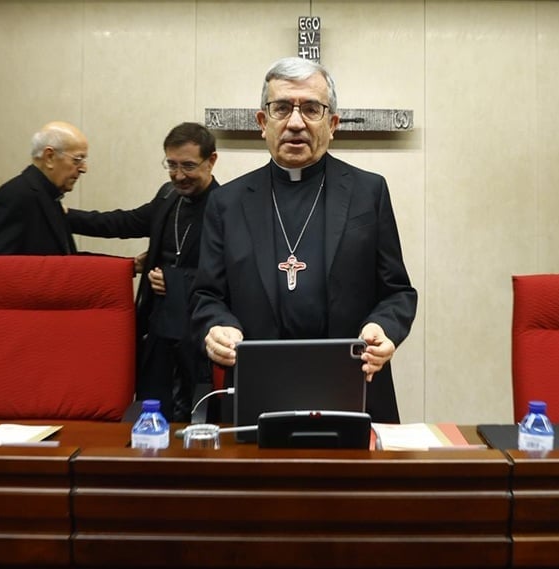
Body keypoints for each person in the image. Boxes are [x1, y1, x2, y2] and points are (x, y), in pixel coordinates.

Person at [191, 57, 417, 423]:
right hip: (256, 392)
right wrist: (215, 326)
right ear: (262, 122)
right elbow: (206, 296)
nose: (295, 123)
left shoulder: (368, 192)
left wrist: (384, 328)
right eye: (282, 108)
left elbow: (398, 292)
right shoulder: (226, 202)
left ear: (333, 124)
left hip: (353, 386)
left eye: (311, 109)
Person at [67, 123, 219, 422]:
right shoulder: (168, 196)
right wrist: (67, 217)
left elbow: (228, 274)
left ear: (211, 160)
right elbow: (124, 223)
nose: (178, 175)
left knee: (190, 413)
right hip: (156, 323)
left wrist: (176, 280)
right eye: (171, 165)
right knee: (152, 405)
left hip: (194, 330)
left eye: (188, 166)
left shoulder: (224, 206)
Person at [0, 121, 88, 256]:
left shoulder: (47, 195)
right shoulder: (16, 196)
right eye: (77, 160)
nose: (83, 169)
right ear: (49, 157)